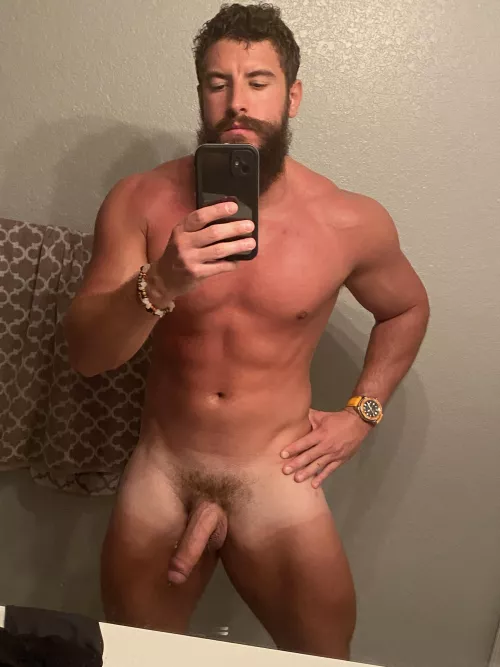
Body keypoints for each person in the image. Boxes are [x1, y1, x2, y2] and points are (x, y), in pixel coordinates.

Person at [64, 3, 429, 660]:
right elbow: (87, 355)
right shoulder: (139, 201)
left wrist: (361, 413)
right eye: (218, 83)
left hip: (275, 476)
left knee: (323, 655)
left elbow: (406, 309)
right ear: (201, 95)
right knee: (134, 657)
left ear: (292, 96)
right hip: (165, 470)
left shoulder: (348, 221)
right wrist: (162, 282)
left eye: (258, 82)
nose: (237, 102)